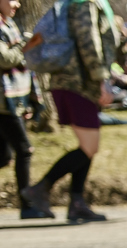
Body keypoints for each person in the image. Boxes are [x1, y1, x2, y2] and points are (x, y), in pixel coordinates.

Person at [20, 0, 118, 222]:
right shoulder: (85, 3)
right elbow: (88, 41)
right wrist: (102, 77)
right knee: (89, 146)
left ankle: (77, 202)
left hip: (78, 82)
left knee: (88, 147)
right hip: (77, 83)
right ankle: (40, 189)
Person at [1, 0, 49, 219]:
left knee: (4, 157)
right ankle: (27, 206)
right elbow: (3, 57)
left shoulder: (9, 24)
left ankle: (27, 205)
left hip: (13, 100)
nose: (17, 4)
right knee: (24, 150)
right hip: (3, 103)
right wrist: (25, 47)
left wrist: (28, 101)